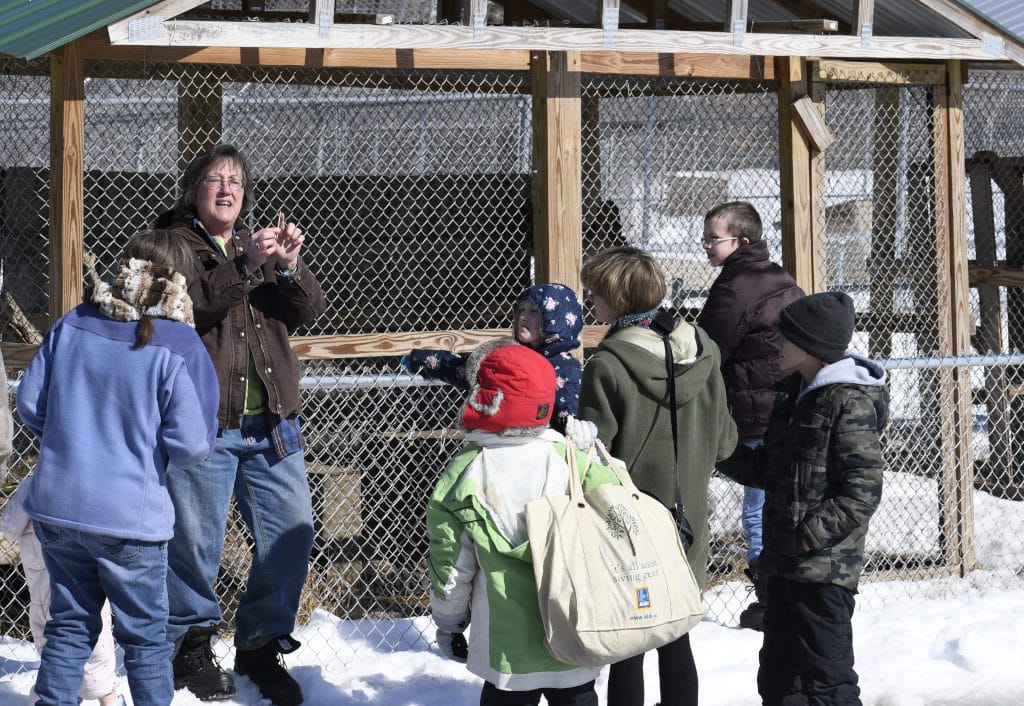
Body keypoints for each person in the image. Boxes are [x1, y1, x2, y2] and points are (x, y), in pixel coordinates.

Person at [14, 230, 219, 706]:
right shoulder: (179, 342)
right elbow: (190, 444)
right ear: (181, 280)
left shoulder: (73, 322)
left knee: (68, 625)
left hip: (58, 507)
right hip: (132, 518)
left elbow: (29, 403)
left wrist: (72, 436)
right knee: (145, 640)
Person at [154, 144, 327, 705]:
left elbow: (308, 310)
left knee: (292, 533)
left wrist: (288, 266)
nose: (226, 189)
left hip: (273, 422)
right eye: (213, 180)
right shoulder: (173, 246)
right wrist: (247, 264)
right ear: (193, 190)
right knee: (195, 543)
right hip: (204, 423)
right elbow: (191, 309)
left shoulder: (260, 247)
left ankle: (259, 644)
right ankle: (191, 646)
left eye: (235, 181)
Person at [577, 245, 737, 706]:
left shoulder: (606, 367)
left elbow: (593, 457)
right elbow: (725, 444)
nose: (592, 303)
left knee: (629, 645)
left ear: (618, 299)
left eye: (597, 294)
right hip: (690, 525)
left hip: (628, 525)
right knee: (676, 638)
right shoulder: (705, 351)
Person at [716, 291, 888, 706]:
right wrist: (719, 451)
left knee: (827, 683)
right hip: (783, 567)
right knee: (779, 679)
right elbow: (768, 472)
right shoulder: (795, 395)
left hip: (822, 573)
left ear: (811, 345)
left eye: (785, 337)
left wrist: (807, 535)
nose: (777, 344)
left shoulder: (848, 400)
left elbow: (862, 490)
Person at [427, 340, 621, 706]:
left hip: (507, 650)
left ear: (483, 401)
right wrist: (590, 451)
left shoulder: (464, 473)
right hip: (574, 631)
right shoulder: (570, 460)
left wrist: (449, 623)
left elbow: (452, 564)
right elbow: (619, 507)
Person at [696, 201, 804, 631]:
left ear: (741, 241)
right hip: (780, 403)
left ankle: (768, 596)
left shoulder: (736, 286)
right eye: (704, 237)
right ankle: (779, 592)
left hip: (755, 412)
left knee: (758, 509)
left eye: (712, 238)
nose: (705, 245)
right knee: (772, 502)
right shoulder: (776, 274)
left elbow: (708, 347)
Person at [0, 475, 126, 706]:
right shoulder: (93, 481)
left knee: (60, 646)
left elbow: (8, 528)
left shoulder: (33, 485)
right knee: (94, 644)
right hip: (82, 586)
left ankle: (66, 695)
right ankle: (105, 698)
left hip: (47, 591)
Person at [403, 282, 583, 433]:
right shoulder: (513, 357)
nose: (523, 317)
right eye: (521, 310)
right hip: (504, 445)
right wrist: (422, 360)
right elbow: (468, 369)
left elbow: (568, 421)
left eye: (534, 311)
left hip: (543, 454)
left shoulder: (567, 369)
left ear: (555, 319)